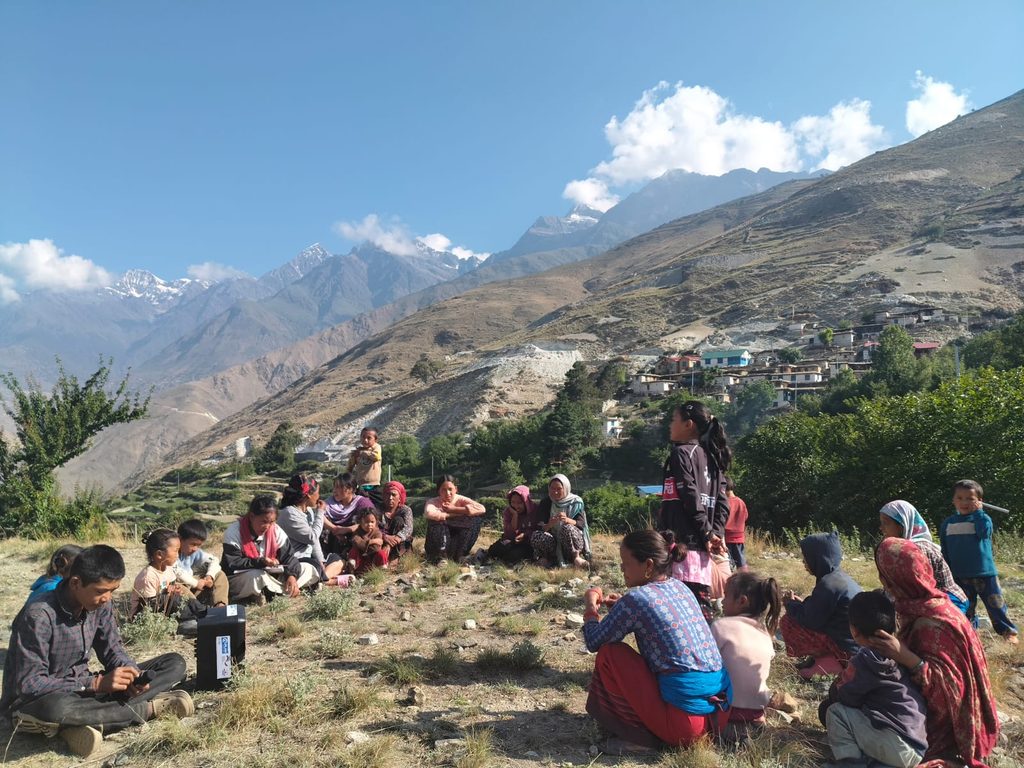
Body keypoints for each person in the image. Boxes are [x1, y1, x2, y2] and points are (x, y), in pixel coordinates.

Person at [1, 545, 192, 758]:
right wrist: (96, 684)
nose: (107, 598)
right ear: (76, 583)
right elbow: (29, 684)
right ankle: (149, 709)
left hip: (84, 690)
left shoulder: (100, 605)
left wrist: (130, 674)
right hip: (39, 700)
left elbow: (113, 650)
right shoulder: (38, 616)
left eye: (113, 590)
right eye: (101, 591)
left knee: (174, 663)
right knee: (57, 708)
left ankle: (82, 724)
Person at [582, 529, 731, 755]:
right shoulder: (681, 587)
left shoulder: (636, 599)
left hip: (685, 726)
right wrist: (621, 608)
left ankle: (640, 738)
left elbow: (594, 641)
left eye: (626, 562)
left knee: (610, 654)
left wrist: (591, 608)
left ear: (649, 565)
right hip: (718, 715)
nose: (622, 568)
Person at [870, 537, 998, 767]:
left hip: (949, 729)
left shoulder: (931, 623)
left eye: (884, 574)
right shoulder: (924, 606)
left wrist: (905, 657)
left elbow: (951, 692)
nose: (882, 581)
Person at [819, 590, 928, 768]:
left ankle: (851, 765)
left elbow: (846, 697)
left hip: (896, 746)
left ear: (854, 631)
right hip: (918, 745)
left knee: (835, 712)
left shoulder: (866, 660)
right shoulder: (902, 651)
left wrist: (837, 688)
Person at [657, 400, 731, 620]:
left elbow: (690, 495)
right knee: (699, 608)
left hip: (681, 546)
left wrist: (708, 533)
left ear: (688, 424)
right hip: (701, 548)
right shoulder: (714, 459)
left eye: (674, 420)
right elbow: (722, 502)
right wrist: (714, 533)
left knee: (682, 613)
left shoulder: (681, 454)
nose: (670, 425)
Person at [939, 479, 1019, 643]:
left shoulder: (983, 519)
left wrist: (979, 514)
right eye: (960, 498)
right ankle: (969, 633)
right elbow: (945, 549)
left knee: (995, 605)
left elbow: (984, 534)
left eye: (970, 498)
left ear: (980, 501)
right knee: (965, 606)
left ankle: (1008, 632)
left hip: (984, 572)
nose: (964, 502)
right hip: (959, 574)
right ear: (953, 500)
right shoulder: (948, 523)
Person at [779, 532, 862, 678]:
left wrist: (790, 604)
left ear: (818, 558)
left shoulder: (828, 585)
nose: (804, 562)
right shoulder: (838, 578)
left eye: (806, 557)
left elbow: (810, 620)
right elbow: (823, 610)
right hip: (856, 645)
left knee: (788, 622)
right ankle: (825, 659)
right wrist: (802, 604)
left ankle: (830, 662)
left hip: (845, 650)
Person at [711, 571, 784, 732]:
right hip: (756, 709)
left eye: (726, 596)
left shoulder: (721, 626)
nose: (722, 602)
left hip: (727, 709)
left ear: (742, 601)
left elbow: (707, 662)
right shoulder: (765, 632)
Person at [221, 495, 320, 602]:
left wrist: (292, 576)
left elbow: (289, 557)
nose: (267, 526)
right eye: (264, 521)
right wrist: (261, 562)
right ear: (252, 516)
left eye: (272, 522)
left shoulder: (276, 530)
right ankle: (280, 591)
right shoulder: (234, 532)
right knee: (256, 577)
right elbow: (234, 562)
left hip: (273, 576)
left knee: (308, 568)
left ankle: (275, 590)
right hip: (244, 577)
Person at [879, 499, 968, 614]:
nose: (881, 528)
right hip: (928, 598)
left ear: (902, 525)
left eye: (885, 523)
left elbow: (918, 590)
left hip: (947, 600)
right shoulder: (903, 548)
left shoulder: (915, 549)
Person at [129, 529, 203, 636]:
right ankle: (187, 622)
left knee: (185, 596)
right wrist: (167, 594)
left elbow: (172, 586)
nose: (178, 555)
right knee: (175, 598)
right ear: (159, 554)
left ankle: (204, 613)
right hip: (145, 617)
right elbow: (147, 607)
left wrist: (175, 589)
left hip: (164, 608)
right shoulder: (148, 577)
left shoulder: (168, 568)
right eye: (176, 551)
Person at [530, 474, 591, 568]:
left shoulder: (575, 502)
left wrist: (567, 520)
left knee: (567, 528)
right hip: (553, 543)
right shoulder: (546, 502)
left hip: (570, 543)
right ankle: (547, 558)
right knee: (536, 534)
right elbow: (540, 526)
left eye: (559, 489)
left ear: (565, 488)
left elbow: (581, 524)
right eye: (552, 488)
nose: (555, 492)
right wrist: (549, 524)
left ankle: (575, 557)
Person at [276, 474, 326, 580]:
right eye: (317, 493)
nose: (319, 497)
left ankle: (323, 577)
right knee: (313, 567)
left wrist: (321, 560)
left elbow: (314, 541)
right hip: (295, 560)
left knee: (336, 559)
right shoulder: (289, 513)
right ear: (308, 495)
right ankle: (326, 580)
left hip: (308, 557)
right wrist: (320, 512)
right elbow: (312, 537)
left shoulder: (309, 512)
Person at [424, 475, 486, 562]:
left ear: (456, 489)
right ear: (438, 491)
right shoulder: (433, 502)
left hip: (456, 541)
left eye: (450, 489)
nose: (447, 493)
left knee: (476, 519)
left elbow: (481, 509)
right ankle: (441, 557)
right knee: (437, 522)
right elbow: (429, 513)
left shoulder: (460, 499)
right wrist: (452, 514)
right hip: (438, 544)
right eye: (443, 490)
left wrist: (454, 509)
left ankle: (460, 555)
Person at [174, 519, 229, 608]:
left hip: (191, 589)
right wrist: (196, 583)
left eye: (198, 545)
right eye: (193, 544)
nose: (195, 549)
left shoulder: (194, 553)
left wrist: (209, 576)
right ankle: (197, 610)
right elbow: (177, 571)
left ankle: (220, 605)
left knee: (219, 574)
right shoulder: (171, 554)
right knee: (178, 585)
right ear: (180, 539)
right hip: (180, 594)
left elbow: (214, 560)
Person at [322, 473, 375, 557]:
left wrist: (346, 529)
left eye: (338, 487)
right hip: (334, 539)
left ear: (350, 489)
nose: (334, 490)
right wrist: (335, 530)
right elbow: (319, 516)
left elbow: (371, 522)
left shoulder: (362, 503)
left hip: (354, 539)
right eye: (334, 487)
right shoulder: (329, 503)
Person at [487, 485, 538, 565]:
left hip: (527, 543)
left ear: (526, 501)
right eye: (513, 502)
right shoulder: (508, 512)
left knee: (513, 556)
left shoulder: (534, 510)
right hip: (511, 540)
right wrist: (515, 515)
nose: (516, 506)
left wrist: (525, 535)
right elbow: (508, 533)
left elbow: (538, 529)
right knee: (493, 550)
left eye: (519, 503)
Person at [378, 480, 414, 561]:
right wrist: (385, 537)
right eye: (387, 494)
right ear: (383, 496)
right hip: (382, 541)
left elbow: (408, 528)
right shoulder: (377, 509)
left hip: (400, 543)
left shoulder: (405, 510)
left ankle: (395, 558)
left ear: (400, 497)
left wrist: (393, 541)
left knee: (398, 520)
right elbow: (374, 528)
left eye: (393, 495)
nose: (390, 498)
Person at [347, 508, 386, 575]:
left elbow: (376, 548)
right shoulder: (357, 532)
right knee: (353, 550)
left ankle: (382, 568)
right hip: (361, 559)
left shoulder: (377, 533)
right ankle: (352, 568)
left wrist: (368, 542)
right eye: (366, 522)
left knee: (381, 552)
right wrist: (372, 541)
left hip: (372, 559)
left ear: (376, 522)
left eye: (372, 522)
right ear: (360, 522)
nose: (369, 524)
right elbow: (356, 542)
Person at [347, 427, 382, 498]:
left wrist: (362, 453)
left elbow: (377, 457)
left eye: (369, 438)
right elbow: (350, 467)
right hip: (360, 484)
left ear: (375, 440)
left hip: (373, 484)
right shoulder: (358, 451)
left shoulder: (376, 447)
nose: (365, 440)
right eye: (363, 437)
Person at [724, 476, 749, 571]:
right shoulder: (741, 502)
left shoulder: (725, 502)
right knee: (741, 562)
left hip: (727, 538)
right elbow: (746, 516)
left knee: (727, 564)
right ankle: (746, 581)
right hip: (739, 538)